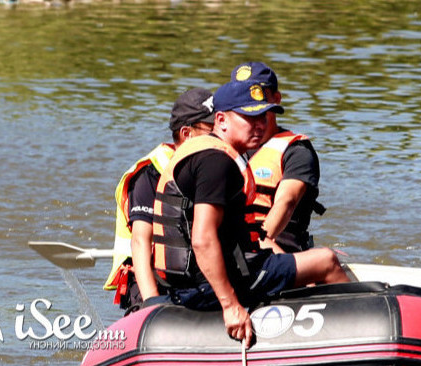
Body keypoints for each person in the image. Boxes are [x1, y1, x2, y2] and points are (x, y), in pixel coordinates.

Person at [147, 77, 347, 344]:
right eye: (249, 118)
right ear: (221, 120)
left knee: (286, 262)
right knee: (325, 260)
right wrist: (230, 306)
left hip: (185, 284)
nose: (260, 125)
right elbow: (202, 239)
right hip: (207, 286)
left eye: (263, 117)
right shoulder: (217, 162)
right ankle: (354, 335)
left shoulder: (199, 152)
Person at [105, 86, 215, 312]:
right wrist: (152, 303)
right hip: (151, 280)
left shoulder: (212, 170)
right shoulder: (150, 174)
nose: (220, 136)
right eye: (212, 129)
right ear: (187, 133)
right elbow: (140, 241)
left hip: (193, 277)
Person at [229, 60, 331, 255]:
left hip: (279, 249)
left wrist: (257, 244)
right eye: (241, 95)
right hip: (235, 246)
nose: (249, 102)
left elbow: (287, 202)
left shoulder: (297, 152)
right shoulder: (226, 147)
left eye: (257, 94)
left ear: (276, 98)